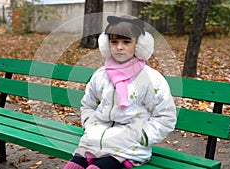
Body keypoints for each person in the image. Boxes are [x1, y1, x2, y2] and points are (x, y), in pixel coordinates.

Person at [64, 15, 177, 169]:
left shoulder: (150, 79)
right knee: (73, 165)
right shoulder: (101, 75)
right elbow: (88, 104)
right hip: (97, 136)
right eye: (114, 42)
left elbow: (166, 115)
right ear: (106, 44)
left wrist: (144, 136)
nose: (119, 47)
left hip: (130, 142)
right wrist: (91, 125)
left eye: (126, 42)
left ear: (139, 45)